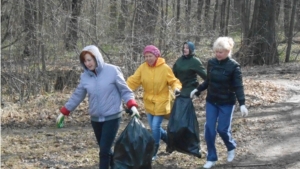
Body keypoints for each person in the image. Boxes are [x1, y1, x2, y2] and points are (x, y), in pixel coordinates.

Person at [56, 45, 139, 169]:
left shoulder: (113, 71)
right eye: (85, 61)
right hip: (95, 118)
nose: (87, 63)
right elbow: (77, 96)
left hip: (112, 116)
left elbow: (125, 91)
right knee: (105, 149)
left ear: (97, 58)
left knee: (104, 151)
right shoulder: (85, 76)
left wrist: (132, 105)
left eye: (90, 60)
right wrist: (64, 112)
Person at [190, 37, 249, 169]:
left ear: (228, 51)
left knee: (222, 129)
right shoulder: (211, 63)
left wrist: (242, 103)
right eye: (216, 52)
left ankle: (230, 146)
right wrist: (198, 90)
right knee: (209, 129)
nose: (217, 54)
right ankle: (211, 157)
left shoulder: (234, 66)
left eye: (220, 52)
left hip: (227, 102)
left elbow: (238, 86)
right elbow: (208, 81)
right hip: (212, 100)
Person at [126, 45, 182, 161]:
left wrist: (176, 88)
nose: (148, 58)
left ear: (156, 56)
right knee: (154, 127)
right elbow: (133, 80)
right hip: (148, 102)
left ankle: (154, 151)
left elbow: (173, 81)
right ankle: (170, 141)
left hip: (162, 100)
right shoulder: (142, 68)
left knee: (155, 126)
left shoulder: (165, 68)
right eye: (146, 56)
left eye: (150, 56)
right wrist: (123, 88)